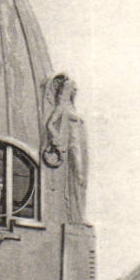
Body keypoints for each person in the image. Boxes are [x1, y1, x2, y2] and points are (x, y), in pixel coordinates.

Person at [42, 73, 88, 223]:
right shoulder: (62, 107)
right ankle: (75, 216)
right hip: (71, 146)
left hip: (78, 146)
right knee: (77, 177)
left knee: (81, 179)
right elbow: (50, 124)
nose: (75, 91)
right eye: (73, 88)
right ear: (67, 90)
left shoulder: (72, 108)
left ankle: (79, 214)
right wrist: (55, 138)